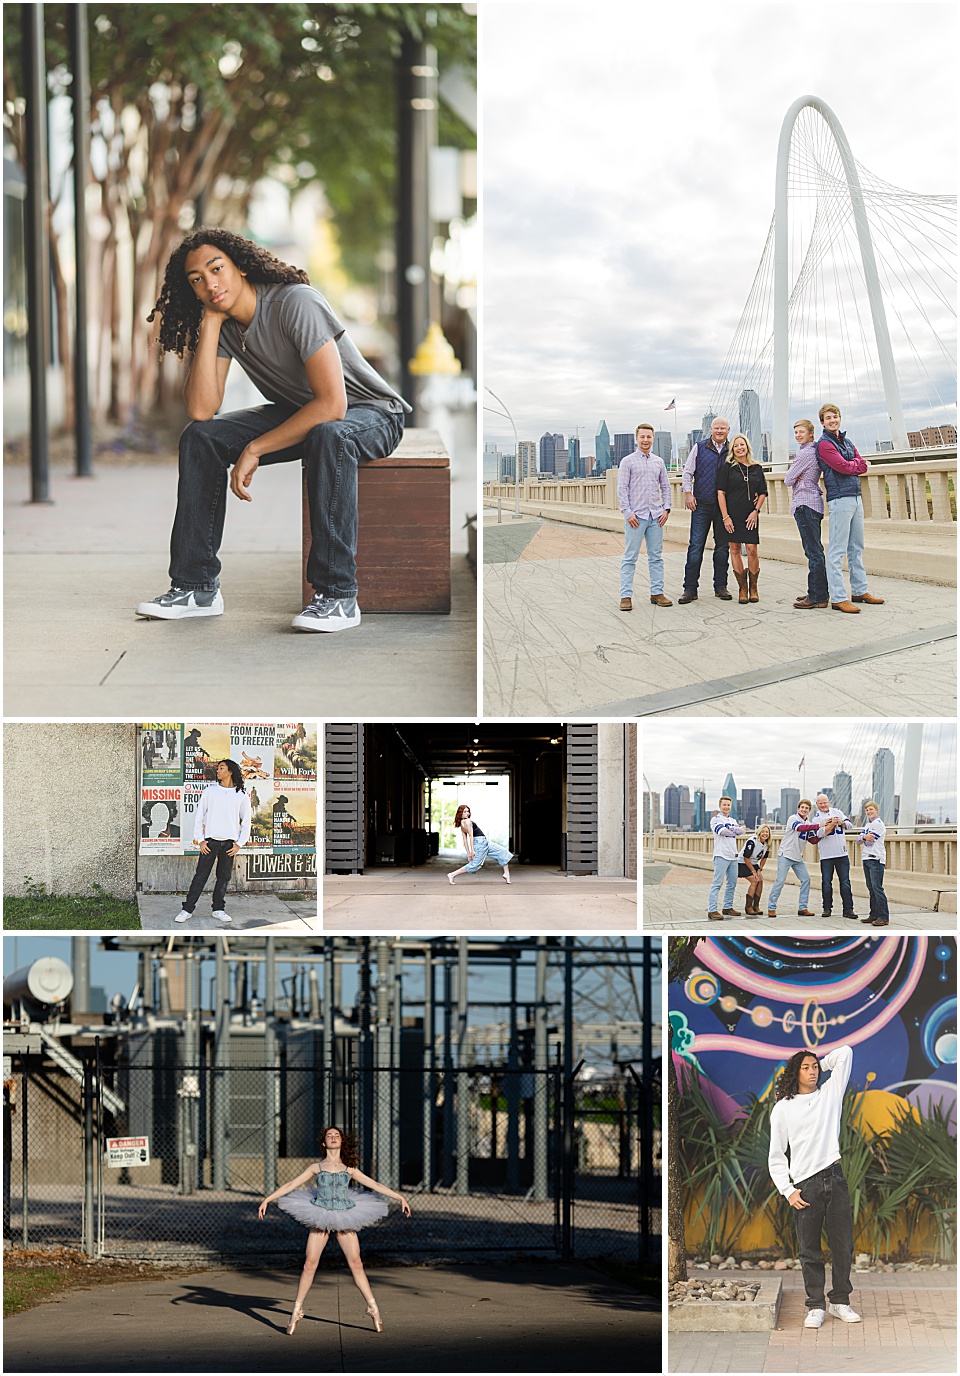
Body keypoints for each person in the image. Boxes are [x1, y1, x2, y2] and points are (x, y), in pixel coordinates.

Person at [138, 228, 410, 632]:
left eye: (217, 269)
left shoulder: (295, 303)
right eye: (196, 279)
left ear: (241, 267)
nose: (210, 283)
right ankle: (195, 588)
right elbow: (201, 409)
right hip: (301, 412)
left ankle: (337, 596)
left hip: (371, 413)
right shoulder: (225, 324)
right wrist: (210, 322)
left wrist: (255, 448)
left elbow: (332, 406)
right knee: (200, 438)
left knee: (329, 435)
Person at [258, 1125, 410, 1335]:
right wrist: (268, 1199)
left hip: (344, 1214)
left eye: (336, 1135)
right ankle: (296, 1310)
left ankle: (373, 1307)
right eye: (329, 1135)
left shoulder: (350, 1169)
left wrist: (399, 1197)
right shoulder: (316, 1167)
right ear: (324, 1143)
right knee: (309, 1264)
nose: (333, 1137)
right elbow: (291, 1184)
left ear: (341, 1141)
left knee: (356, 1263)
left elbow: (374, 1184)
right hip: (320, 1213)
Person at [769, 1046, 861, 1330]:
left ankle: (840, 1301)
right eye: (805, 1067)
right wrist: (788, 1191)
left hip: (835, 1178)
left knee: (843, 1246)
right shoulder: (783, 1108)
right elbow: (776, 1155)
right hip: (805, 1186)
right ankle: (815, 1306)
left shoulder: (830, 1094)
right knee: (809, 1250)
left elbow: (845, 1053)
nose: (812, 1072)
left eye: (815, 1067)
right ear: (794, 1073)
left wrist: (821, 1062)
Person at [816, 403, 885, 614]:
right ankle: (838, 597)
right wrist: (853, 465)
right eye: (828, 418)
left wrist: (852, 466)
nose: (833, 420)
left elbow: (862, 465)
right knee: (837, 549)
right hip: (839, 499)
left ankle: (860, 590)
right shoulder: (824, 444)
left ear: (840, 418)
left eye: (835, 416)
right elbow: (844, 467)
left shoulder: (847, 442)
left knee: (857, 547)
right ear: (822, 422)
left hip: (855, 496)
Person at [174, 759, 251, 924]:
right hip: (210, 843)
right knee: (200, 877)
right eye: (218, 768)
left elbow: (246, 822)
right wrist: (201, 841)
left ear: (230, 771)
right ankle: (187, 910)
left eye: (221, 768)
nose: (218, 771)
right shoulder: (210, 791)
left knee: (224, 878)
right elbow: (199, 816)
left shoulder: (241, 795)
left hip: (229, 844)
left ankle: (218, 909)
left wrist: (239, 844)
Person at [617, 423, 672, 610]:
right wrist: (627, 512)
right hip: (636, 517)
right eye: (642, 436)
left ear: (653, 438)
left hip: (656, 516)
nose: (646, 440)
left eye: (649, 437)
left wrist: (666, 509)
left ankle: (657, 593)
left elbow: (665, 487)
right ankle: (625, 596)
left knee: (656, 557)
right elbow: (622, 489)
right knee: (630, 557)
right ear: (637, 438)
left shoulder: (659, 462)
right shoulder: (628, 461)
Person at [678, 417, 733, 604]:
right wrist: (688, 494)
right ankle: (690, 589)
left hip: (724, 507)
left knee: (722, 548)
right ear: (711, 429)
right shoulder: (700, 447)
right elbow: (687, 472)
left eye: (723, 428)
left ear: (728, 430)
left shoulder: (733, 449)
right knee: (695, 546)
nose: (719, 431)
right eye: (716, 428)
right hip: (701, 504)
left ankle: (721, 586)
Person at [715, 434, 767, 603]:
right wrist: (725, 517)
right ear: (732, 449)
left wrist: (756, 511)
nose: (739, 448)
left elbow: (763, 492)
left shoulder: (757, 468)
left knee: (752, 549)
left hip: (750, 515)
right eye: (736, 446)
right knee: (734, 549)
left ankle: (753, 588)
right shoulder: (727, 468)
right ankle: (742, 588)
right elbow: (720, 493)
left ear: (747, 447)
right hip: (731, 515)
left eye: (742, 445)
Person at [785, 420, 828, 609]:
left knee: (813, 551)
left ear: (811, 433)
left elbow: (788, 479)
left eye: (801, 432)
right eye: (795, 432)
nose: (798, 435)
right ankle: (818, 591)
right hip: (814, 503)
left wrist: (795, 477)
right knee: (815, 549)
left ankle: (818, 597)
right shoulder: (814, 451)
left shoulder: (805, 453)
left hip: (805, 503)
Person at [766, 799, 817, 917]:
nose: (804, 810)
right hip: (786, 854)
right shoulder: (793, 818)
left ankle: (803, 908)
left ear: (809, 810)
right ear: (798, 808)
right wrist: (819, 825)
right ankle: (771, 907)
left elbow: (813, 840)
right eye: (802, 807)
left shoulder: (809, 823)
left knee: (806, 879)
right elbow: (800, 828)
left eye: (806, 808)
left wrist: (827, 829)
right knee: (780, 881)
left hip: (797, 857)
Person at [810, 794, 857, 920]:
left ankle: (848, 909)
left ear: (829, 802)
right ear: (817, 804)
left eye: (825, 802)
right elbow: (820, 833)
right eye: (820, 803)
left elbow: (850, 825)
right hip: (826, 856)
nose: (823, 805)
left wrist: (841, 822)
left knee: (845, 882)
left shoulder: (837, 812)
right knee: (826, 882)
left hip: (842, 854)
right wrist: (831, 824)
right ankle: (827, 908)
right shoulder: (816, 818)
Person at [448, 804, 514, 884]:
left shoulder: (462, 824)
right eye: (465, 812)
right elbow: (470, 836)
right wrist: (472, 851)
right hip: (480, 843)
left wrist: (469, 854)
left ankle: (506, 874)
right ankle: (452, 875)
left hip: (484, 843)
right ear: (460, 813)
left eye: (468, 811)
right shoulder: (468, 821)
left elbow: (465, 841)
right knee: (475, 865)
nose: (467, 813)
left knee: (502, 852)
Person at [707, 796, 745, 920]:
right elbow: (722, 831)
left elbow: (741, 831)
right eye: (724, 805)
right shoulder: (715, 819)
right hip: (721, 855)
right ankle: (712, 910)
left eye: (728, 805)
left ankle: (727, 907)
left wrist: (730, 828)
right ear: (720, 806)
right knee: (717, 883)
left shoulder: (733, 819)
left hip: (733, 856)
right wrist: (733, 829)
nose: (726, 807)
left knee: (732, 883)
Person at [857, 801, 889, 927]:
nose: (869, 812)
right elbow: (858, 840)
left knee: (877, 888)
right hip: (866, 858)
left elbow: (870, 842)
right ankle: (873, 915)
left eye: (871, 809)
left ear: (876, 810)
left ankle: (883, 917)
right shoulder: (867, 825)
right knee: (871, 888)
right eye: (867, 810)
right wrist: (864, 837)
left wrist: (863, 837)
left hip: (876, 859)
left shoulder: (879, 824)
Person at [738, 824, 771, 915]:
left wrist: (759, 869)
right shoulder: (752, 841)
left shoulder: (767, 843)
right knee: (754, 880)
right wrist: (753, 871)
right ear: (759, 832)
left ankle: (756, 906)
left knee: (760, 880)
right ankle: (748, 907)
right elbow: (746, 857)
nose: (765, 834)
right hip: (742, 863)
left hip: (753, 863)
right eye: (763, 832)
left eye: (767, 832)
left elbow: (764, 858)